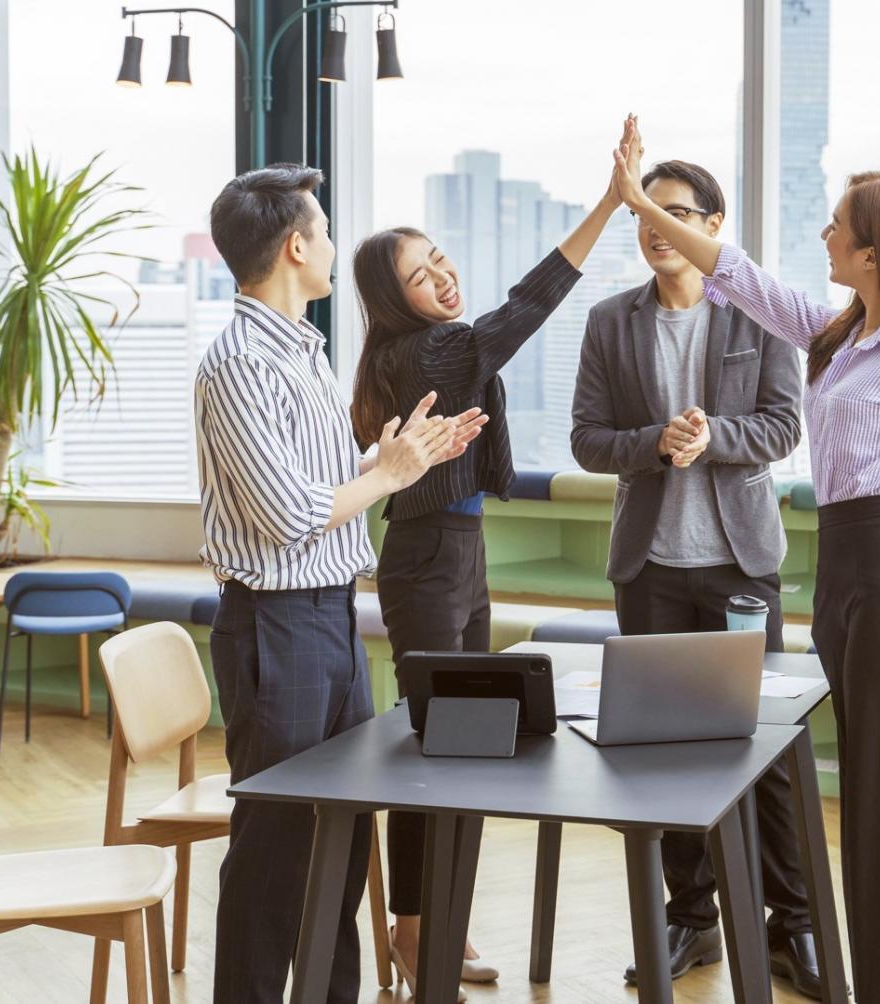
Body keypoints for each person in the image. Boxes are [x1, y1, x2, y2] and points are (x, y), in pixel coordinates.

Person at [612, 119, 880, 1004]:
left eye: (835, 226)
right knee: (870, 803)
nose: (823, 235)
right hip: (849, 574)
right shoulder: (841, 335)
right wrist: (637, 204)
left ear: (873, 249)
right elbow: (737, 276)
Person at [195, 163, 486, 1004]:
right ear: (294, 246)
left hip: (330, 618)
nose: (328, 244)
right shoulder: (243, 363)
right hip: (276, 627)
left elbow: (318, 488)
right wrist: (388, 475)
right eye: (320, 232)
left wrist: (402, 458)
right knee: (278, 847)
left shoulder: (305, 352)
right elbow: (290, 515)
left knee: (346, 838)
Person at [349, 148, 626, 995]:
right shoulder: (431, 350)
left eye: (440, 259)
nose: (441, 274)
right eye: (419, 272)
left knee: (460, 745)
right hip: (430, 559)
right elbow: (526, 308)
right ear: (392, 297)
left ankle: (435, 920)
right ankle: (412, 929)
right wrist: (609, 204)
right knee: (433, 747)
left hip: (458, 552)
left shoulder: (426, 350)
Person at [571, 156, 825, 997]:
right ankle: (691, 919)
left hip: (740, 570)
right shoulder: (610, 321)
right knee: (660, 753)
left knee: (769, 751)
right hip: (648, 572)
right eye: (645, 213)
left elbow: (785, 424)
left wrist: (712, 436)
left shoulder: (754, 316)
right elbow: (586, 440)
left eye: (674, 211)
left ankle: (792, 927)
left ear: (711, 228)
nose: (655, 227)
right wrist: (654, 443)